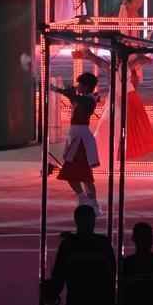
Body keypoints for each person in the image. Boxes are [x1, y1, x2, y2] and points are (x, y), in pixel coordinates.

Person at [41, 205, 115, 305]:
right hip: (93, 304)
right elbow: (112, 277)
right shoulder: (101, 244)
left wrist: (50, 296)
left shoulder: (69, 245)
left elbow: (59, 275)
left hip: (82, 304)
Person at [53, 73, 101, 210]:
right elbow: (71, 96)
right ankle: (84, 198)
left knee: (84, 175)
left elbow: (75, 97)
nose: (77, 86)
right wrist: (55, 89)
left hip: (81, 140)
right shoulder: (81, 98)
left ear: (86, 86)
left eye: (80, 84)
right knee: (70, 173)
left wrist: (68, 92)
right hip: (75, 136)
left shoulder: (89, 100)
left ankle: (93, 204)